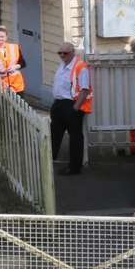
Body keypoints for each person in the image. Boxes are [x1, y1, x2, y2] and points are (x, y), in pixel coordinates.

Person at [50, 43, 92, 175]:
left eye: (65, 53)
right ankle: (49, 160)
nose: (62, 55)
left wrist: (75, 108)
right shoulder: (62, 65)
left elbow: (85, 90)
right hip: (59, 104)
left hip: (71, 105)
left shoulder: (80, 67)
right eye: (60, 53)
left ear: (73, 52)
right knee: (54, 134)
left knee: (75, 137)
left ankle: (74, 168)